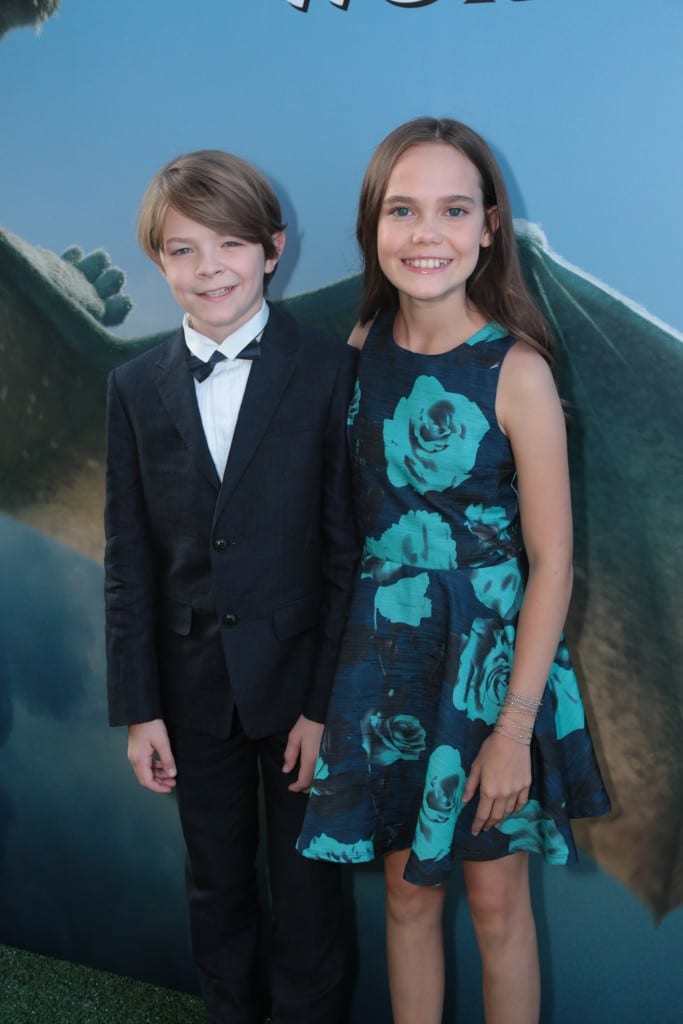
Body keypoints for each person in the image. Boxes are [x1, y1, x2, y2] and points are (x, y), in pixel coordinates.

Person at [298, 117, 611, 1024]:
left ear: (488, 227)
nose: (425, 233)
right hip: (383, 662)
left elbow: (552, 562)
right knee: (405, 896)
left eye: (451, 209)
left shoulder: (517, 371)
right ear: (372, 227)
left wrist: (514, 729)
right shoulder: (359, 352)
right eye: (402, 210)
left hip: (486, 675)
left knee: (496, 902)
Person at [104, 149, 358, 1024]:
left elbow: (343, 556)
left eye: (230, 245)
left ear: (272, 248)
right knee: (215, 890)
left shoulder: (329, 372)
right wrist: (140, 707)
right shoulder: (133, 387)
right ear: (158, 261)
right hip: (188, 693)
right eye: (182, 250)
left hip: (300, 698)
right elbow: (128, 558)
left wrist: (324, 709)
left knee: (310, 899)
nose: (209, 267)